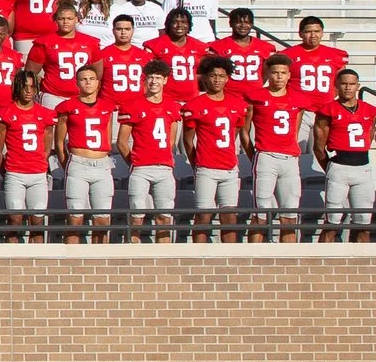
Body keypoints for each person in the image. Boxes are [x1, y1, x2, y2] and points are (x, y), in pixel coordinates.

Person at [313, 65, 376, 242]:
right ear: (336, 85)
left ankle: (363, 264)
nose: (347, 87)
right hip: (339, 166)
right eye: (343, 83)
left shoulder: (370, 110)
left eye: (351, 84)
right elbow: (319, 147)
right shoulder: (328, 109)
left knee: (363, 222)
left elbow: (369, 136)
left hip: (363, 168)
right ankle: (321, 262)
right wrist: (331, 167)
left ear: (357, 86)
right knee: (332, 221)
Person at [183, 57, 249, 243]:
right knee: (203, 217)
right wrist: (198, 164)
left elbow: (235, 132)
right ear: (204, 78)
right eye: (213, 76)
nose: (217, 80)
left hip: (229, 167)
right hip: (206, 167)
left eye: (221, 76)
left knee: (229, 217)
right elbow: (188, 140)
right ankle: (198, 259)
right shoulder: (195, 105)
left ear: (228, 78)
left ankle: (229, 259)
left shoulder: (237, 104)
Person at [244, 52, 306, 243]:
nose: (279, 76)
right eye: (275, 72)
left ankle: (289, 261)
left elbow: (295, 130)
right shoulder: (256, 97)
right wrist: (254, 155)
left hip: (289, 158)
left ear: (289, 75)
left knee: (290, 213)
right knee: (260, 213)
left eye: (283, 72)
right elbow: (245, 131)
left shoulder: (298, 99)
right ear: (267, 74)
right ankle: (253, 259)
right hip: (266, 156)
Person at [119, 63, 182, 243]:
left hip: (165, 168)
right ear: (145, 80)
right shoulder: (133, 106)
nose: (154, 81)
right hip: (141, 168)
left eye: (158, 78)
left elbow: (171, 140)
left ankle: (164, 257)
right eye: (151, 77)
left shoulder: (173, 107)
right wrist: (135, 162)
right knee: (136, 217)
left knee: (164, 216)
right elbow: (122, 142)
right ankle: (131, 253)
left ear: (165, 80)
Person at [58, 64, 117, 242]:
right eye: (83, 79)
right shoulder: (67, 107)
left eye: (91, 79)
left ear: (98, 83)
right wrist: (69, 165)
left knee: (102, 219)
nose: (88, 82)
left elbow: (107, 137)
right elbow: (59, 142)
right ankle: (71, 261)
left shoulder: (107, 107)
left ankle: (101, 261)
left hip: (102, 164)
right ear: (77, 83)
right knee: (75, 218)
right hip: (78, 163)